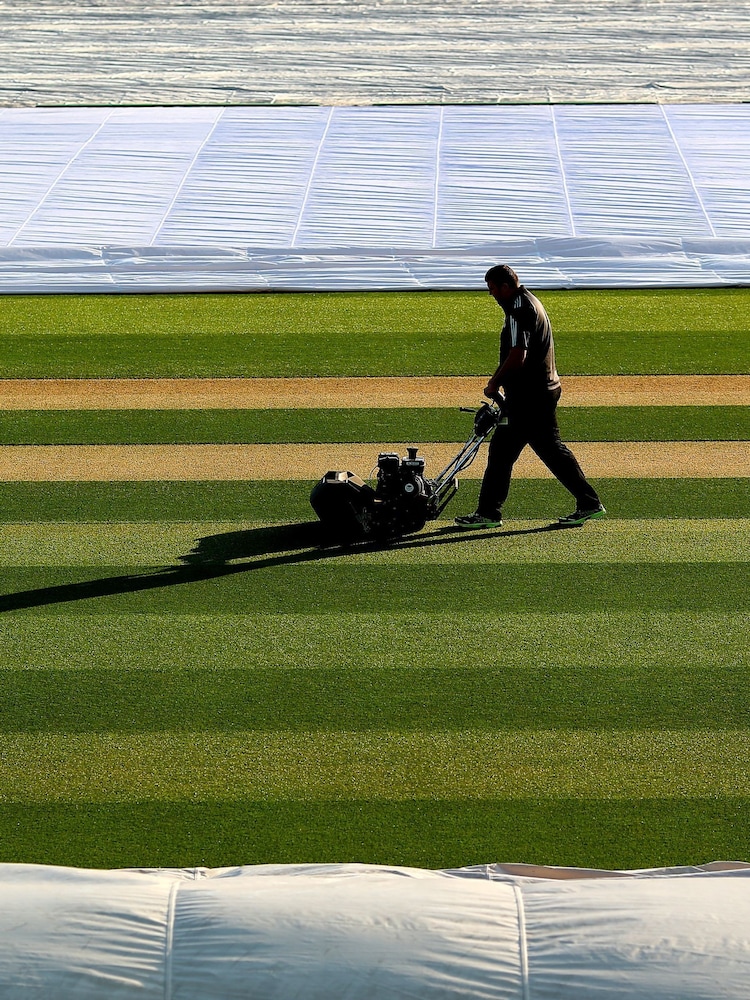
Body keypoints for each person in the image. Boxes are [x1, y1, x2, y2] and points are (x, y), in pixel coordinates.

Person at [455, 263, 605, 529]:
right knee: (550, 450)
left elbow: (517, 355)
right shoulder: (531, 301)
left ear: (505, 286)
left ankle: (489, 513)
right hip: (543, 391)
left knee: (503, 453)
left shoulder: (517, 310)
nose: (491, 295)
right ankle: (588, 502)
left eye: (492, 289)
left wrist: (494, 383)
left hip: (528, 396)